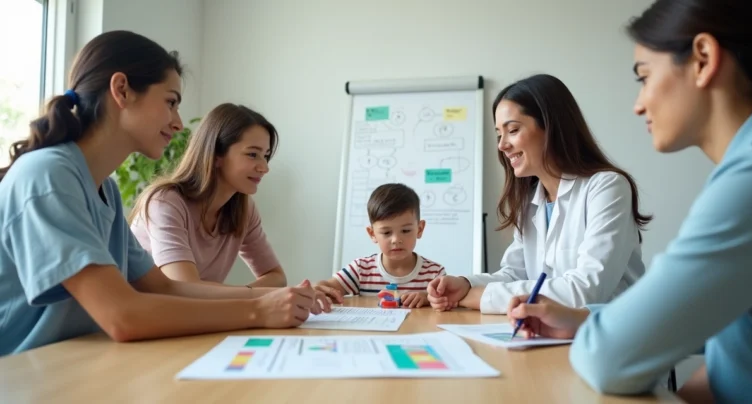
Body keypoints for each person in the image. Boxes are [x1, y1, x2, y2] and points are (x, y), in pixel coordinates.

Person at [0, 31, 322, 357]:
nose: (179, 123)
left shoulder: (105, 190)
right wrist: (258, 311)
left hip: (73, 362)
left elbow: (165, 287)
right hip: (22, 372)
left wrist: (277, 298)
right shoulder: (48, 175)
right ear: (122, 90)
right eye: (171, 102)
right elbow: (122, 315)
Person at [507, 1, 752, 402]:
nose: (639, 104)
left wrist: (592, 329)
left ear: (703, 59)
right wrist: (581, 321)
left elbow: (607, 359)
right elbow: (736, 342)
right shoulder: (746, 165)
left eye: (644, 77)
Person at [428, 74, 651, 314]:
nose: (502, 145)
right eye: (499, 134)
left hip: (612, 338)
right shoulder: (530, 200)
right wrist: (466, 284)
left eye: (512, 130)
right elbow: (514, 274)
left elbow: (585, 291)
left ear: (551, 126)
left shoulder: (607, 188)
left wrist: (482, 297)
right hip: (551, 336)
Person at [130, 103, 287, 287]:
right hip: (148, 314)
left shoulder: (243, 209)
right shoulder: (165, 203)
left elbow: (276, 277)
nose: (264, 168)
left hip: (192, 315)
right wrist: (254, 298)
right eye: (252, 154)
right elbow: (187, 289)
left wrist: (251, 296)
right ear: (216, 155)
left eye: (265, 156)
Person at [315, 183, 446, 308]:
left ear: (420, 229)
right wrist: (319, 288)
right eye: (386, 232)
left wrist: (428, 298)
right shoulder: (361, 269)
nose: (396, 240)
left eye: (406, 231)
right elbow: (328, 287)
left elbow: (449, 301)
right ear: (372, 234)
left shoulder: (434, 274)